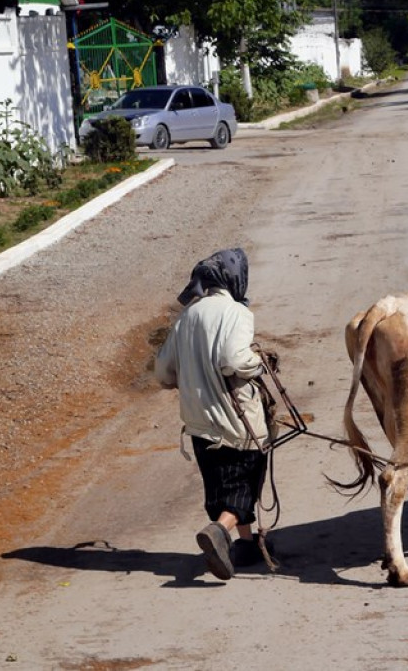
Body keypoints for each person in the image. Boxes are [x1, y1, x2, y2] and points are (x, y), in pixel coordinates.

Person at [154, 248, 270, 580]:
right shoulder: (237, 313)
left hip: (198, 423)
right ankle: (218, 532)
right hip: (235, 420)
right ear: (235, 279)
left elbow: (162, 373)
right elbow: (234, 360)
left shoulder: (186, 317)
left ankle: (245, 545)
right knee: (245, 484)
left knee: (221, 487)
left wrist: (192, 376)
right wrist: (259, 364)